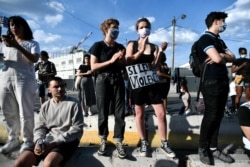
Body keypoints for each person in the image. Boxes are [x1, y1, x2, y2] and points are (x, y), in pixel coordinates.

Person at [126, 17, 175, 158]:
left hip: (152, 83)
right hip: (137, 84)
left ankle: (164, 143)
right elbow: (128, 60)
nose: (144, 29)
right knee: (139, 114)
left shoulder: (153, 47)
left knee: (161, 113)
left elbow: (154, 65)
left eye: (146, 26)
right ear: (137, 29)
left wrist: (160, 51)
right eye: (141, 27)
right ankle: (144, 142)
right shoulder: (132, 44)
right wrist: (140, 51)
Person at [14, 77, 84, 167]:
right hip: (48, 139)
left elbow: (77, 129)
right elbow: (40, 127)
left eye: (63, 86)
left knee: (49, 163)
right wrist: (38, 141)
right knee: (20, 162)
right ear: (49, 90)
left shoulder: (74, 103)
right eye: (56, 86)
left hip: (67, 141)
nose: (60, 89)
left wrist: (53, 144)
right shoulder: (45, 106)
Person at [197, 12, 235, 165]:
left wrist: (222, 55)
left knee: (218, 117)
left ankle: (214, 148)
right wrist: (222, 56)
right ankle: (202, 148)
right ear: (215, 21)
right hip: (210, 82)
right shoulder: (205, 38)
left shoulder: (218, 40)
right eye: (223, 21)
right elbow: (218, 58)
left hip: (222, 82)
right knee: (211, 116)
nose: (224, 24)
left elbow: (233, 57)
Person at [0, 16, 40, 154]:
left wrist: (17, 46)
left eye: (17, 25)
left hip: (24, 79)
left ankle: (28, 140)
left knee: (25, 111)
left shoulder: (32, 43)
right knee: (7, 111)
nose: (14, 27)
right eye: (11, 25)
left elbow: (34, 59)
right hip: (5, 77)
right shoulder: (4, 44)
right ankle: (13, 139)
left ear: (24, 27)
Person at [89, 18, 127, 158]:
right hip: (102, 79)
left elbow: (123, 66)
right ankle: (103, 140)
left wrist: (122, 61)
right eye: (114, 27)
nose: (116, 30)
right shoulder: (97, 46)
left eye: (117, 28)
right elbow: (93, 67)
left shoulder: (120, 47)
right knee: (102, 111)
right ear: (106, 29)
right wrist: (111, 60)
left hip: (117, 79)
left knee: (120, 111)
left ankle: (119, 141)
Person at [156, 41, 171, 113]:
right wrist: (168, 76)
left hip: (166, 82)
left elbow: (167, 71)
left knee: (165, 96)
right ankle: (160, 110)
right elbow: (158, 73)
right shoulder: (157, 64)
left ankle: (165, 110)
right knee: (160, 97)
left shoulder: (165, 64)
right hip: (160, 82)